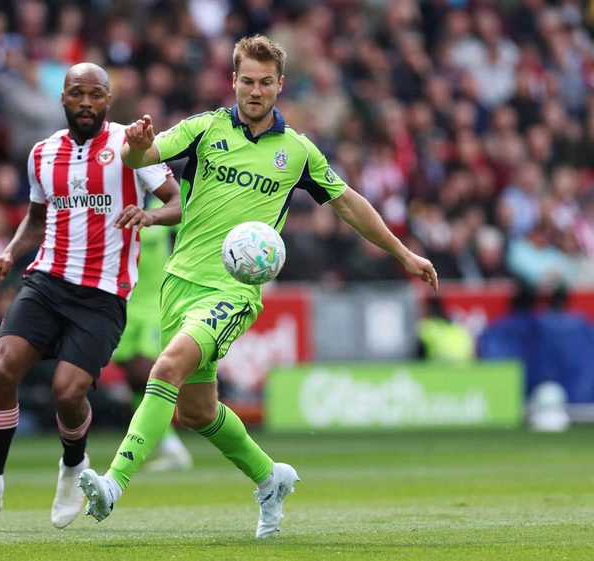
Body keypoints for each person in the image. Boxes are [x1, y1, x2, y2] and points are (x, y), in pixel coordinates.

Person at [78, 35, 439, 539]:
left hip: (234, 292)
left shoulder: (297, 152)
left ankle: (113, 484)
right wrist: (138, 147)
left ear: (279, 86)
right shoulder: (204, 129)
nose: (255, 90)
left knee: (167, 367)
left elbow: (348, 202)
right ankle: (271, 479)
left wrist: (403, 252)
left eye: (265, 82)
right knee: (197, 411)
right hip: (179, 286)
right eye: (247, 80)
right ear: (234, 81)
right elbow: (143, 158)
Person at [0, 63, 181, 530]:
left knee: (68, 392)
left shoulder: (131, 148)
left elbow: (178, 202)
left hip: (102, 294)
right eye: (77, 94)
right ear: (62, 99)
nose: (85, 103)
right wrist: (8, 254)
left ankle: (73, 464)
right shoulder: (42, 153)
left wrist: (150, 217)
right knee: (2, 369)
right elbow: (37, 220)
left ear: (107, 102)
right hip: (46, 281)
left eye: (95, 95)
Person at [111, 195, 192, 472]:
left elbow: (187, 220)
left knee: (148, 371)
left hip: (155, 305)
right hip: (123, 302)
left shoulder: (162, 207)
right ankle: (169, 446)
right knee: (132, 374)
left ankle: (165, 442)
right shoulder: (115, 204)